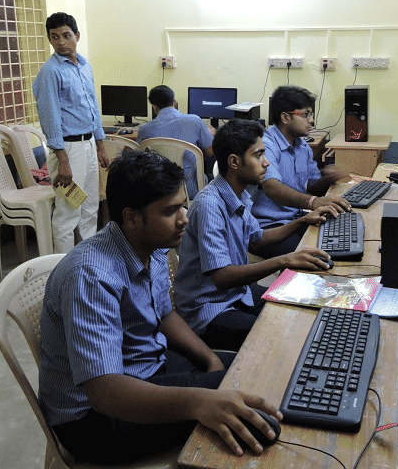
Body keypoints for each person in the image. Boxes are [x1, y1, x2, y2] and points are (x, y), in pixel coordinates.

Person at [38, 150, 282, 465]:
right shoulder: (90, 275)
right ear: (131, 217)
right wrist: (199, 402)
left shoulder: (149, 244)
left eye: (183, 205)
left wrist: (210, 360)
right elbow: (105, 392)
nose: (184, 218)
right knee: (257, 415)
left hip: (145, 368)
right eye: (171, 211)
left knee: (250, 374)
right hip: (93, 419)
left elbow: (166, 315)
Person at [174, 119, 334, 351]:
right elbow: (222, 277)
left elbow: (257, 238)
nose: (266, 163)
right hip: (209, 309)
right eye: (258, 155)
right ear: (234, 162)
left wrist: (301, 220)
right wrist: (284, 260)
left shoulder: (237, 194)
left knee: (300, 305)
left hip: (236, 294)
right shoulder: (210, 205)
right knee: (282, 333)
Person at [33, 12, 109, 254]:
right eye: (54, 37)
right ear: (50, 40)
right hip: (67, 149)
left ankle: (88, 260)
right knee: (68, 211)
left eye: (66, 36)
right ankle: (62, 269)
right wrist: (63, 161)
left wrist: (100, 145)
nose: (61, 42)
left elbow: (92, 108)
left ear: (77, 36)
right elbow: (50, 118)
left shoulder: (85, 66)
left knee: (89, 206)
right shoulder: (51, 71)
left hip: (87, 145)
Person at [250, 85, 352, 258]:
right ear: (285, 117)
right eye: (306, 114)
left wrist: (328, 178)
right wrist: (313, 202)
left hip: (296, 219)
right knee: (316, 259)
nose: (311, 120)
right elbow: (272, 187)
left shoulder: (302, 146)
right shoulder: (266, 145)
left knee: (343, 235)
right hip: (268, 227)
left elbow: (311, 186)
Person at [136, 84, 214, 198]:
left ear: (154, 107)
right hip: (191, 191)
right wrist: (209, 133)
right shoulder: (195, 121)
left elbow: (133, 155)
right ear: (174, 102)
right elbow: (210, 152)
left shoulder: (144, 130)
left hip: (159, 192)